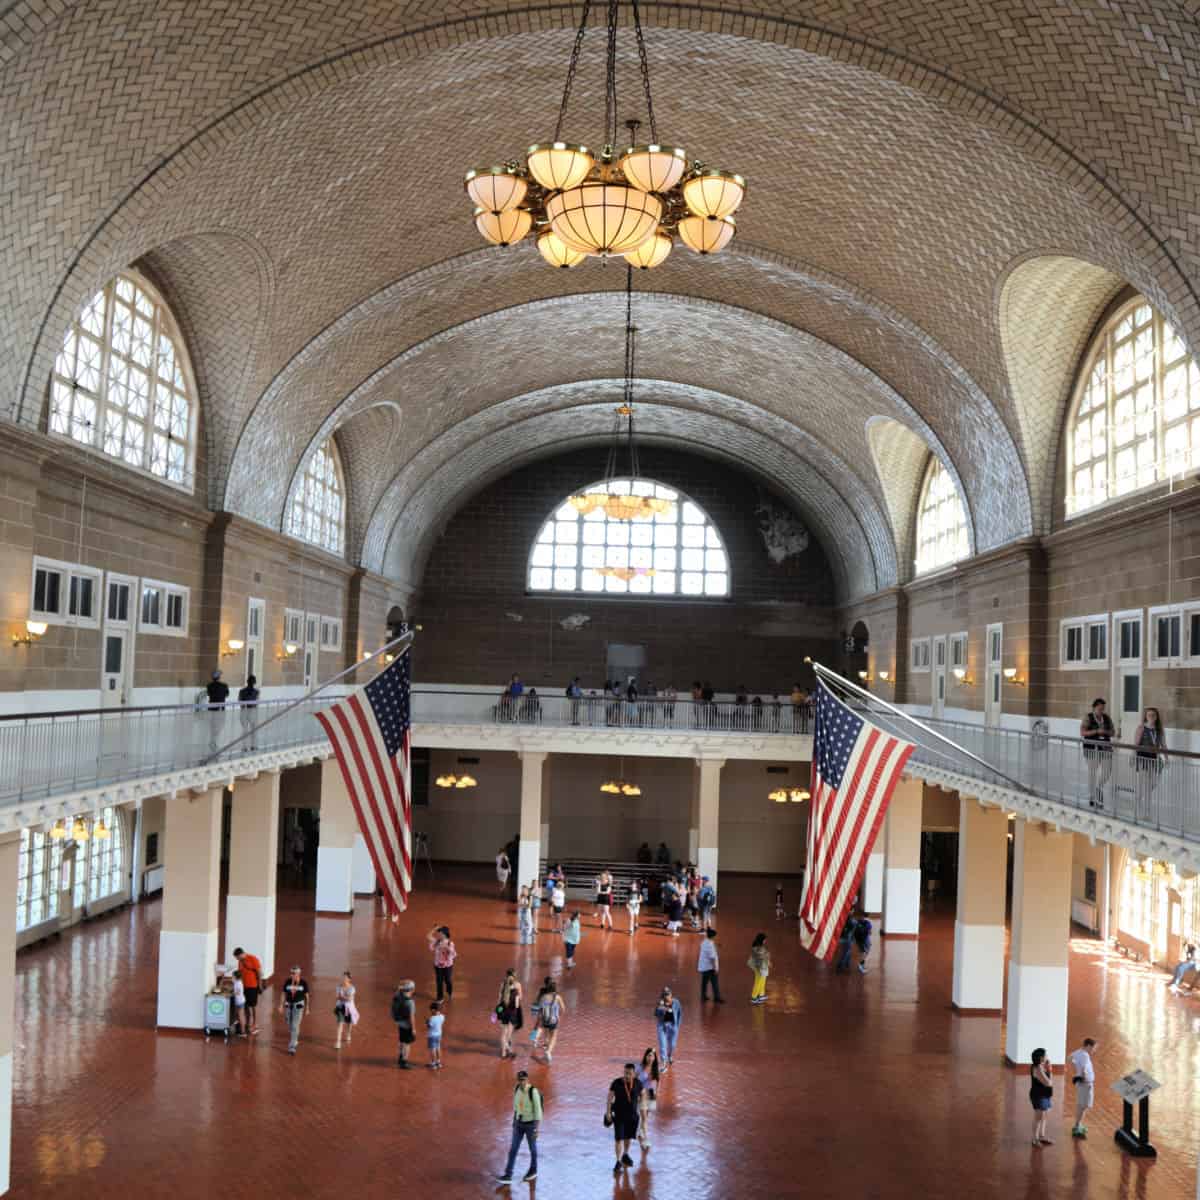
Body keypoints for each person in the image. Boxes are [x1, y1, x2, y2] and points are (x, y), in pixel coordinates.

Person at [496, 1069, 542, 1185]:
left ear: (527, 1079)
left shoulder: (533, 1091)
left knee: (532, 1149)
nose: (522, 1082)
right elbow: (516, 1107)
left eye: (524, 1080)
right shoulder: (517, 1089)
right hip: (518, 1124)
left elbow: (538, 1111)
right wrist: (514, 1121)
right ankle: (508, 1174)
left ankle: (533, 1170)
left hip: (530, 1125)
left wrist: (536, 1128)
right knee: (513, 1149)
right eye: (520, 1080)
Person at [605, 1062, 644, 1175]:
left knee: (628, 1137)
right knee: (618, 1139)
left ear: (634, 1074)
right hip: (619, 1116)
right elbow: (609, 1098)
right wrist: (608, 1112)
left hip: (632, 1117)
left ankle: (625, 1155)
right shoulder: (616, 1083)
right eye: (625, 1073)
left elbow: (643, 1095)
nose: (627, 1076)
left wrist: (642, 1111)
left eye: (629, 1074)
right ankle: (618, 1161)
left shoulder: (638, 1083)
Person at [1080, 699, 1114, 809]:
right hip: (1091, 748)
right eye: (1099, 708)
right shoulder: (1088, 717)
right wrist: (1096, 732)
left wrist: (1106, 732)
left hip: (1105, 748)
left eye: (1103, 708)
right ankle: (1092, 797)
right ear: (1094, 707)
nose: (1101, 710)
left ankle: (1098, 788)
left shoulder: (1107, 718)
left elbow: (1113, 732)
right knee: (1092, 773)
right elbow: (1083, 732)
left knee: (1107, 771)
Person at [1133, 706, 1167, 817]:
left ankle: (1140, 798)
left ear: (1156, 717)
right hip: (1143, 758)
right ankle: (1145, 809)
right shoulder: (1141, 728)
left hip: (1154, 758)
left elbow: (1164, 745)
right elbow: (1136, 744)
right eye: (1149, 715)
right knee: (1146, 783)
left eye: (1153, 715)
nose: (1151, 717)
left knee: (1154, 783)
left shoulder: (1159, 730)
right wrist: (1134, 756)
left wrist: (1167, 758)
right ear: (1146, 717)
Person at [1068, 1036, 1098, 1138]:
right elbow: (1084, 1068)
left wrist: (1076, 1071)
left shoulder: (1078, 1052)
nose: (1094, 1050)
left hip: (1081, 1083)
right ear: (1089, 1046)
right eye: (1093, 1048)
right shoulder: (1085, 1055)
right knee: (1084, 1105)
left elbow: (1069, 1058)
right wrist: (1083, 1077)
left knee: (1081, 1104)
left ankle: (1078, 1124)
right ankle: (1077, 1126)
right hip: (1086, 1083)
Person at [532, 978, 566, 1063]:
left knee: (543, 1030)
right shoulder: (557, 997)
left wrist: (537, 1015)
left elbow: (538, 1007)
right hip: (554, 1019)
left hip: (544, 1018)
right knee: (554, 1036)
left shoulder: (543, 997)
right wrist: (559, 1016)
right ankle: (548, 1051)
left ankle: (536, 1038)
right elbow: (563, 1009)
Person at [279, 965, 310, 1055]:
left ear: (298, 973)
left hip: (298, 1006)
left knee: (294, 1026)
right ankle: (295, 1038)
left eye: (294, 973)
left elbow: (307, 996)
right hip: (288, 1005)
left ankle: (292, 1047)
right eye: (291, 973)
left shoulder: (303, 983)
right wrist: (281, 1005)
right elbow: (283, 993)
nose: (292, 975)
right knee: (289, 1023)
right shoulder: (288, 982)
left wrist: (307, 1008)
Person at [232, 947, 262, 1035]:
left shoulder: (253, 959)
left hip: (253, 986)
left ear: (241, 954)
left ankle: (255, 1024)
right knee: (246, 1005)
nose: (237, 959)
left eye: (237, 957)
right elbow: (240, 973)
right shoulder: (240, 961)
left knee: (253, 1006)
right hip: (244, 986)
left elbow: (259, 972)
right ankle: (248, 1023)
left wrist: (259, 985)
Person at [635, 1047, 660, 1150]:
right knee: (644, 1117)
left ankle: (641, 1131)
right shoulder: (640, 1067)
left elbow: (658, 1080)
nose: (650, 1057)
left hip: (651, 1094)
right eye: (648, 1055)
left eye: (652, 1056)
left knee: (646, 1116)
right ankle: (646, 1139)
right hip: (642, 1094)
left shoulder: (655, 1069)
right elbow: (634, 1081)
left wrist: (657, 1091)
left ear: (654, 1058)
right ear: (645, 1056)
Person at [1029, 1048, 1054, 1146]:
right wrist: (1050, 1070)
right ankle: (1034, 1139)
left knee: (1044, 1117)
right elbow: (1048, 1083)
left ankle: (1042, 1137)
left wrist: (1048, 1069)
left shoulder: (1041, 1066)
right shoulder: (1038, 1068)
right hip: (1039, 1096)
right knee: (1038, 1118)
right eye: (1045, 1055)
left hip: (1045, 1095)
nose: (1047, 1056)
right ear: (1041, 1057)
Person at [497, 968, 524, 1058]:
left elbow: (499, 997)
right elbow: (520, 998)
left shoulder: (503, 984)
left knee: (503, 1032)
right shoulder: (518, 985)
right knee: (510, 1031)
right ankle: (509, 1047)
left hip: (503, 1009)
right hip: (513, 1011)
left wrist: (497, 1010)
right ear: (514, 975)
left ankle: (504, 1053)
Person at [654, 987, 682, 1069]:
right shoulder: (660, 1003)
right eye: (665, 995)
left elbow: (680, 1013)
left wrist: (678, 1025)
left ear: (671, 995)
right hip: (662, 1026)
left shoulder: (676, 1002)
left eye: (668, 994)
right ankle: (663, 1061)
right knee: (663, 1045)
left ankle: (670, 1056)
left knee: (672, 1045)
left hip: (673, 1026)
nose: (667, 997)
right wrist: (662, 1008)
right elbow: (656, 1014)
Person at [427, 925, 457, 1001]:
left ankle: (449, 992)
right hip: (438, 965)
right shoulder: (436, 941)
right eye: (438, 934)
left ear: (445, 934)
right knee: (439, 981)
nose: (439, 935)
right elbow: (428, 936)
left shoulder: (450, 943)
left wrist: (447, 948)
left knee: (448, 980)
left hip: (447, 966)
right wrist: (434, 929)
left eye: (440, 934)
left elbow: (454, 954)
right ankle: (440, 997)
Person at [391, 979, 416, 1068]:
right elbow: (411, 1017)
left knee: (401, 1041)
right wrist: (413, 1029)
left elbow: (398, 989)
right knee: (407, 1044)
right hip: (407, 1025)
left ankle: (400, 1057)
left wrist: (402, 984)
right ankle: (404, 1062)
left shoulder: (397, 996)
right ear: (412, 989)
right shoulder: (410, 1002)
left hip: (399, 1023)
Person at [205, 669, 230, 750]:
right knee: (220, 725)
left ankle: (213, 740)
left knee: (212, 725)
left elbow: (208, 694)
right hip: (220, 709)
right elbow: (227, 695)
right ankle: (215, 740)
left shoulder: (209, 685)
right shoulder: (224, 685)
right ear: (219, 677)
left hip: (212, 708)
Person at [334, 970, 358, 1049]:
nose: (343, 978)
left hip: (349, 1009)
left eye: (345, 977)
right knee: (340, 1023)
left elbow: (349, 999)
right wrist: (344, 998)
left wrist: (342, 997)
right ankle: (338, 1042)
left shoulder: (352, 988)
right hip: (340, 1008)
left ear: (349, 979)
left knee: (349, 1024)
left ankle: (348, 1034)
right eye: (343, 977)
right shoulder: (338, 987)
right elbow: (337, 997)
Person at [698, 927, 723, 1002]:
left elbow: (711, 945)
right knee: (715, 982)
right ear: (712, 936)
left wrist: (716, 946)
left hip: (704, 966)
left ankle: (703, 995)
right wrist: (715, 968)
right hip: (710, 967)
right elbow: (712, 958)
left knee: (704, 982)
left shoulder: (705, 941)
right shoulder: (710, 946)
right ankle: (717, 997)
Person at [237, 673, 259, 748]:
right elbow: (257, 702)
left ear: (247, 682)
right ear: (254, 682)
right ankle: (253, 746)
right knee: (253, 730)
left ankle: (244, 746)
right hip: (252, 710)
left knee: (244, 730)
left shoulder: (241, 691)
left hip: (244, 711)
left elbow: (239, 701)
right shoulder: (257, 692)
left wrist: (243, 706)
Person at [748, 932, 770, 1004]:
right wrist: (761, 969)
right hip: (761, 968)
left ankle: (761, 995)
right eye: (764, 940)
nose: (765, 941)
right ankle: (754, 997)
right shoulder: (759, 948)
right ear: (762, 940)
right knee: (758, 982)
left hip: (761, 967)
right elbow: (760, 959)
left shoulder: (757, 946)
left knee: (762, 981)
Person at [426, 1000, 444, 1069]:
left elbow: (429, 1026)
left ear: (433, 1010)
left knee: (432, 1049)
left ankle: (433, 1064)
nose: (430, 1011)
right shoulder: (442, 1016)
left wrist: (427, 1022)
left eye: (431, 1010)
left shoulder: (432, 1019)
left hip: (432, 1036)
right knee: (438, 1048)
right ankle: (438, 1062)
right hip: (439, 1035)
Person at [231, 969, 246, 1037]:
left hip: (240, 1002)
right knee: (238, 1015)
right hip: (239, 1001)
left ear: (236, 977)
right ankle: (237, 1025)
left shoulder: (238, 983)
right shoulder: (237, 982)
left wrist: (232, 993)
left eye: (233, 976)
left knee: (241, 1016)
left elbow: (238, 992)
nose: (232, 978)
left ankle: (243, 1032)